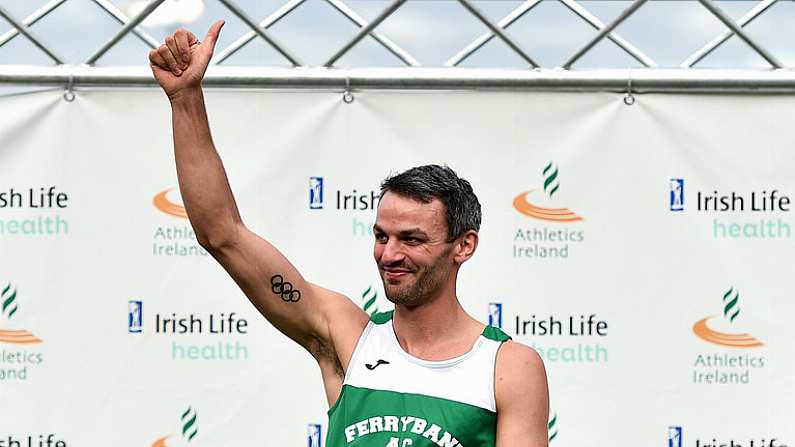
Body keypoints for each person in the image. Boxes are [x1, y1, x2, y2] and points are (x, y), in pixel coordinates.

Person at [148, 21, 549, 446]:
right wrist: (185, 100)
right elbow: (221, 234)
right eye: (381, 236)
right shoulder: (348, 338)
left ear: (463, 246)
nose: (390, 254)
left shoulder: (507, 366)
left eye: (411, 240)